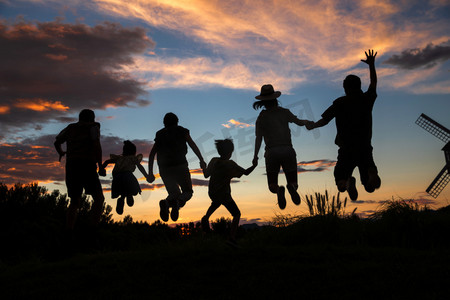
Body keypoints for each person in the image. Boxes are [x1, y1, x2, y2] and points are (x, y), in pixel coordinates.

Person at [306, 49, 381, 201]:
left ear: (345, 88)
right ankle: (371, 173)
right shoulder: (366, 99)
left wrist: (313, 125)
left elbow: (324, 120)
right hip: (365, 147)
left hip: (347, 149)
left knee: (340, 179)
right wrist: (371, 65)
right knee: (369, 186)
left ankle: (346, 182)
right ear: (359, 86)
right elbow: (373, 83)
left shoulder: (339, 103)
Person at [252, 84, 313, 209]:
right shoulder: (284, 112)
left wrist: (255, 156)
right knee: (294, 183)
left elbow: (259, 138)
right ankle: (291, 188)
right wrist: (307, 122)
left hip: (271, 152)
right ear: (275, 98)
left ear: (263, 102)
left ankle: (279, 190)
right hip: (287, 150)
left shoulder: (262, 117)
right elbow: (299, 122)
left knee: (272, 186)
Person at [54, 109, 106, 233]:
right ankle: (92, 230)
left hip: (72, 166)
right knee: (99, 199)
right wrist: (100, 165)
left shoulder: (70, 128)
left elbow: (57, 142)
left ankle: (69, 231)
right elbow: (96, 146)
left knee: (74, 201)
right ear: (92, 118)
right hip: (87, 165)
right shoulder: (93, 128)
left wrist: (61, 152)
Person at [148, 112, 206, 222]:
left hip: (164, 169)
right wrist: (201, 160)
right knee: (188, 192)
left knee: (174, 193)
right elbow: (192, 144)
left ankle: (167, 203)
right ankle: (178, 203)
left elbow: (151, 155)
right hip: (180, 166)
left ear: (164, 123)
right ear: (177, 122)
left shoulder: (159, 134)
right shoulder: (181, 131)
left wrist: (150, 173)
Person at [201, 139, 256, 247]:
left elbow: (206, 175)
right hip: (224, 194)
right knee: (236, 214)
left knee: (216, 202)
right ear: (230, 152)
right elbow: (246, 172)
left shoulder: (214, 161)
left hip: (212, 192)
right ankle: (231, 238)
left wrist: (203, 166)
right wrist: (254, 165)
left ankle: (206, 217)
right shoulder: (230, 164)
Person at [102, 140, 151, 215]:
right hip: (128, 177)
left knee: (122, 190)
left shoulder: (119, 158)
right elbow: (140, 167)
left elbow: (107, 162)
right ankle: (129, 195)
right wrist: (146, 175)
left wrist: (101, 169)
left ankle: (122, 199)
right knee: (133, 188)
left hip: (117, 178)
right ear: (134, 152)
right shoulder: (132, 158)